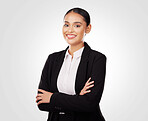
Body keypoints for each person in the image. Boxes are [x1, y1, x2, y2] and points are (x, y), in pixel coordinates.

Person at [36, 7, 107, 121]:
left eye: (77, 25)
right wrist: (78, 98)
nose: (70, 30)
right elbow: (41, 103)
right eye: (66, 25)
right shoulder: (52, 59)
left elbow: (90, 104)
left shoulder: (97, 59)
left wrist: (52, 97)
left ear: (87, 28)